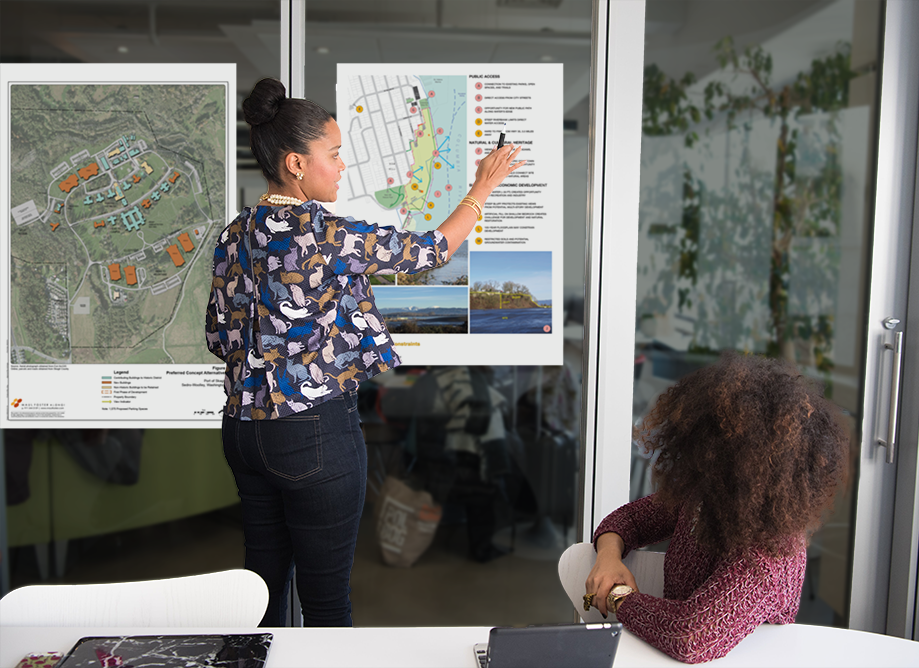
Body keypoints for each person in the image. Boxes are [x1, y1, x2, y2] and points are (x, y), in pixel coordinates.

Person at [205, 77, 524, 626]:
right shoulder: (323, 234)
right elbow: (428, 253)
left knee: (262, 597)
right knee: (327, 603)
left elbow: (218, 336)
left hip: (244, 431)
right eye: (333, 154)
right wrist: (482, 187)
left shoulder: (234, 234)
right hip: (313, 434)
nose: (342, 165)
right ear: (296, 164)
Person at [584, 352, 850, 663]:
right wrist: (608, 559)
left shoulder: (772, 553)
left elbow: (690, 636)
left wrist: (618, 598)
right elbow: (629, 519)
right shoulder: (707, 496)